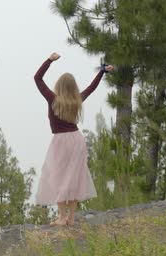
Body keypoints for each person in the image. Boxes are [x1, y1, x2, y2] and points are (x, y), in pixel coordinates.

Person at [34, 52, 114, 226]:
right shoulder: (77, 100)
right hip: (76, 140)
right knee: (74, 177)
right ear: (73, 88)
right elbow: (91, 88)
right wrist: (102, 72)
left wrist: (49, 60)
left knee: (59, 177)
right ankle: (70, 218)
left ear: (59, 86)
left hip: (60, 142)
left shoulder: (53, 99)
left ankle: (62, 218)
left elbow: (37, 78)